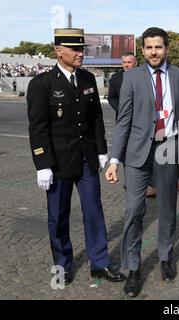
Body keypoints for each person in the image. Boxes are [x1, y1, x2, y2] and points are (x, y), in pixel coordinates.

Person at [26, 28, 125, 285]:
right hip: (58, 163)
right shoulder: (42, 84)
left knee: (94, 211)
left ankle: (100, 262)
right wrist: (42, 164)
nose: (81, 54)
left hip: (86, 160)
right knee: (58, 216)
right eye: (75, 49)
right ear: (58, 51)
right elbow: (38, 128)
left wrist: (101, 150)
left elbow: (95, 120)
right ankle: (62, 264)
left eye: (82, 49)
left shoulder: (88, 79)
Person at [105, 27, 179, 298]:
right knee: (134, 210)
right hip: (137, 152)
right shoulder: (131, 78)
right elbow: (123, 122)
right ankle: (133, 267)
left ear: (167, 48)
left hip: (169, 148)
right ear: (142, 50)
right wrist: (114, 160)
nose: (154, 52)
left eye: (159, 47)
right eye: (149, 47)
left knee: (167, 208)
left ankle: (166, 258)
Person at [108, 52, 137, 120]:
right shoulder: (115, 77)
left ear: (135, 63)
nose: (126, 65)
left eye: (129, 62)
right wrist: (121, 109)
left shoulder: (142, 76)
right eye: (124, 62)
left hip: (139, 117)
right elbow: (111, 97)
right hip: (122, 116)